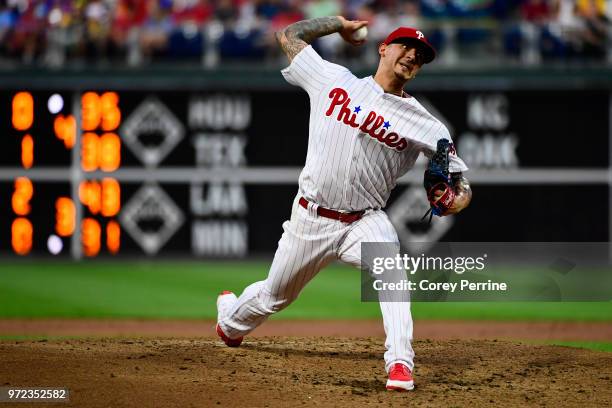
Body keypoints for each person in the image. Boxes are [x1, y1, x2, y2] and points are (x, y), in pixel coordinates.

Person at [216, 15, 472, 391]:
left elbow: (459, 183)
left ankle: (400, 364)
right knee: (275, 295)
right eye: (405, 46)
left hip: (363, 221)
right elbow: (288, 35)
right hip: (311, 216)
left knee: (392, 275)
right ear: (383, 48)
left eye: (420, 55)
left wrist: (457, 201)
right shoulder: (333, 79)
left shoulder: (427, 125)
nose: (412, 55)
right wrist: (337, 24)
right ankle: (229, 320)